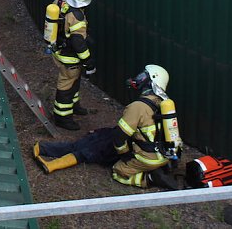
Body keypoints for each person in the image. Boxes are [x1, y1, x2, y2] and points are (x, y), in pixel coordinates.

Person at [33, 64, 180, 190]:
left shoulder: (138, 106)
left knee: (116, 170)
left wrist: (123, 154)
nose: (139, 79)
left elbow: (119, 137)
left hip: (147, 157)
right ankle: (160, 167)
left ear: (151, 80)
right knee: (105, 135)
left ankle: (149, 178)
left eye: (143, 77)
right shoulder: (165, 105)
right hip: (164, 155)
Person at [49, 0, 95, 130]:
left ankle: (74, 105)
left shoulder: (60, 2)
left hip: (59, 49)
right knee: (66, 87)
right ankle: (62, 117)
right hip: (69, 58)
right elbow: (77, 42)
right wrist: (88, 61)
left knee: (74, 81)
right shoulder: (77, 16)